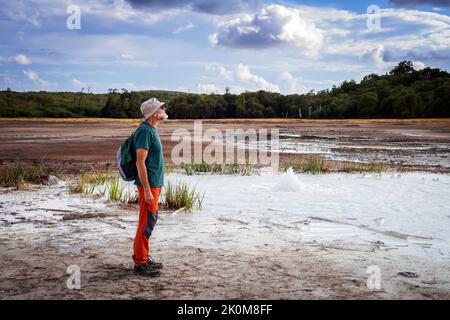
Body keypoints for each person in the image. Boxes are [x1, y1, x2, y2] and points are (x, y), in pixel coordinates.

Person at [132, 97, 168, 277]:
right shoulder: (145, 131)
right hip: (149, 185)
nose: (164, 109)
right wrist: (146, 190)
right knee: (146, 223)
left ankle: (143, 257)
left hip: (154, 184)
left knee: (149, 221)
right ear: (155, 113)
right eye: (161, 107)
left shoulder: (151, 129)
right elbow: (140, 163)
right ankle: (140, 263)